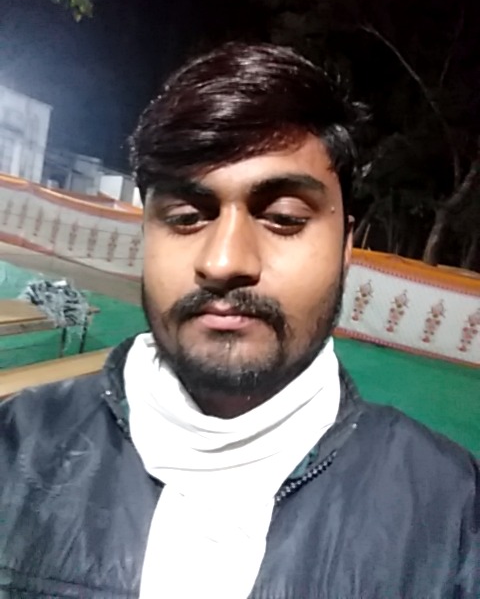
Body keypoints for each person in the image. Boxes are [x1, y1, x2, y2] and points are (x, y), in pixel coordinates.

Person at [0, 43, 478, 599]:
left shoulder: (452, 517)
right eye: (186, 216)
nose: (225, 261)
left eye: (284, 218)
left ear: (346, 247)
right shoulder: (15, 449)